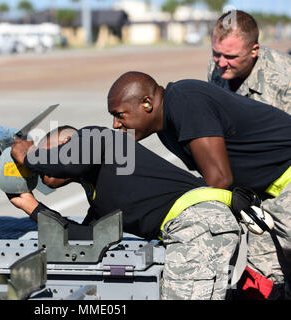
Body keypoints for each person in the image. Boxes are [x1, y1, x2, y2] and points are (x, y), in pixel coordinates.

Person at [107, 71, 291, 299]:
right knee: (260, 284)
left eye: (119, 115)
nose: (115, 124)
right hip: (269, 194)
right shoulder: (167, 126)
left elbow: (219, 180)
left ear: (146, 104)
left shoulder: (184, 100)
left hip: (286, 182)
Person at [8, 125, 242, 300]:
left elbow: (67, 163)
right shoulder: (100, 197)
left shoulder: (97, 138)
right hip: (193, 229)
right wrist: (31, 206)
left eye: (48, 153)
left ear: (69, 141)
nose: (41, 168)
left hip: (197, 222)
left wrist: (28, 155)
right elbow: (83, 237)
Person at [208, 10, 291, 114]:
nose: (221, 63)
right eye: (216, 53)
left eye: (230, 56)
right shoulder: (214, 64)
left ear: (254, 51)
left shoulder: (286, 77)